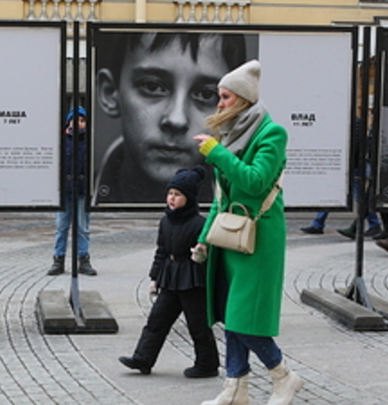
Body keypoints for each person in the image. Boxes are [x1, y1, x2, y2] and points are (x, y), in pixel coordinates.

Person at [191, 60, 303, 405]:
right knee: (231, 315)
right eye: (219, 97)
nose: (219, 103)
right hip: (229, 238)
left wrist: (216, 152)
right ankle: (235, 389)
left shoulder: (272, 133)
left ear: (242, 99)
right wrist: (204, 237)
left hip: (259, 240)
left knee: (244, 319)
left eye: (225, 97)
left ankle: (283, 375)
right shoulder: (231, 133)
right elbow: (222, 197)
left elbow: (254, 183)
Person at [92, 31, 252, 205]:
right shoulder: (78, 198)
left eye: (206, 95)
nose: (177, 120)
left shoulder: (247, 204)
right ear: (109, 94)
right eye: (152, 87)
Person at [118, 166, 219, 378]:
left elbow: (208, 254)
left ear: (189, 198)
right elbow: (161, 251)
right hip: (170, 278)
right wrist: (154, 278)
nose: (172, 199)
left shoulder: (199, 224)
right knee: (157, 320)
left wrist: (201, 256)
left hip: (192, 280)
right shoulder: (166, 221)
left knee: (198, 325)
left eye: (178, 195)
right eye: (170, 193)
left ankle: (207, 364)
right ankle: (143, 359)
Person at [47, 106, 96, 276]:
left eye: (82, 121)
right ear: (69, 122)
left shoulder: (90, 141)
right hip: (64, 191)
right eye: (76, 120)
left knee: (83, 227)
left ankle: (83, 259)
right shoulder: (60, 140)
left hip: (82, 190)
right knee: (61, 226)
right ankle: (58, 259)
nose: (79, 124)